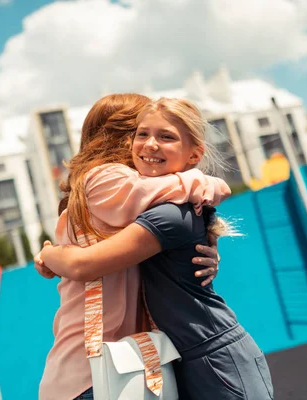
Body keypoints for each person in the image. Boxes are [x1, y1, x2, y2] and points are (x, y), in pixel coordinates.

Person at [39, 98, 274, 400]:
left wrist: (49, 255)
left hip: (138, 363)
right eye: (142, 132)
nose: (149, 144)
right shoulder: (108, 182)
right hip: (98, 369)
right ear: (126, 137)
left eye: (165, 135)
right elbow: (83, 263)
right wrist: (203, 180)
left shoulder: (156, 209)